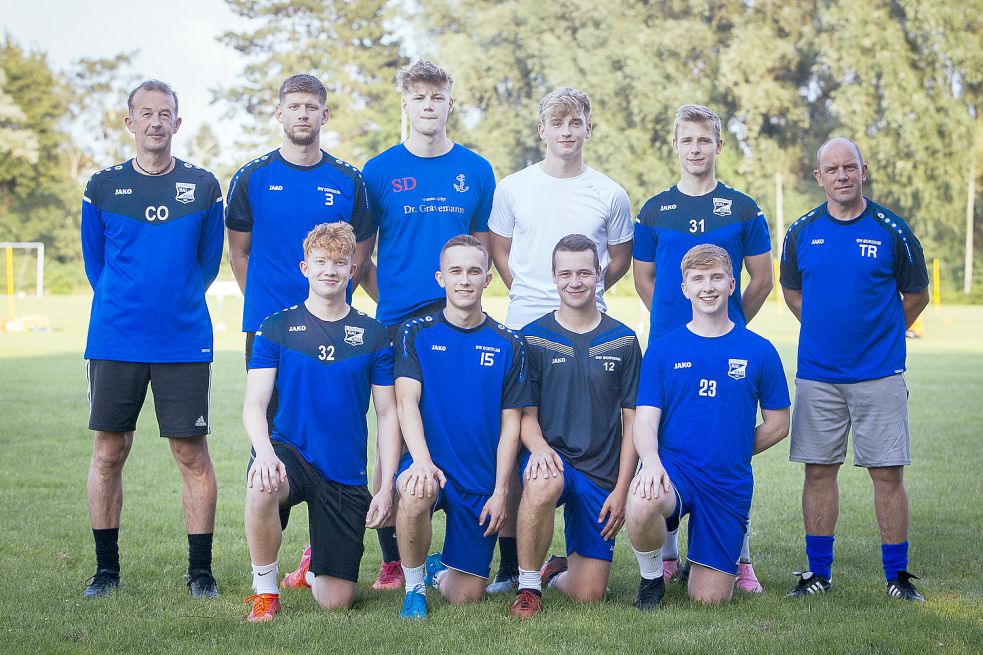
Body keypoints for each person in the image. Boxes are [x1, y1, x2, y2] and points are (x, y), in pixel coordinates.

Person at [80, 79, 223, 598]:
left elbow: (209, 263)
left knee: (191, 454)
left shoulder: (204, 187)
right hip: (115, 340)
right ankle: (106, 571)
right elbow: (96, 264)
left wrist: (174, 302)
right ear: (130, 122)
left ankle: (200, 572)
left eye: (166, 113)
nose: (156, 122)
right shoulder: (101, 187)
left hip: (183, 343)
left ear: (177, 124)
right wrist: (128, 304)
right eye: (146, 113)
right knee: (108, 452)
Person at [487, 86, 633, 589]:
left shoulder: (610, 193)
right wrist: (534, 295)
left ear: (589, 129)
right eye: (558, 123)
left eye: (577, 124)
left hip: (591, 330)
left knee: (590, 434)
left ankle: (570, 557)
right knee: (518, 439)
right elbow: (500, 250)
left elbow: (619, 257)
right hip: (528, 324)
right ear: (542, 130)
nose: (567, 133)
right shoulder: (513, 188)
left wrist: (580, 294)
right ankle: (513, 566)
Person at [360, 60, 496, 590]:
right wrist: (396, 301)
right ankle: (394, 559)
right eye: (418, 98)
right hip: (397, 323)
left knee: (465, 425)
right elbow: (364, 258)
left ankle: (475, 549)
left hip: (459, 322)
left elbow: (481, 249)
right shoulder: (377, 171)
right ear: (406, 105)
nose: (428, 106)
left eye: (437, 97)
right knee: (391, 430)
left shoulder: (476, 170)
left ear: (449, 103)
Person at [632, 104, 774, 591]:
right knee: (670, 437)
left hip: (726, 342)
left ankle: (740, 553)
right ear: (676, 146)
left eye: (704, 140)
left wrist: (730, 326)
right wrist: (679, 327)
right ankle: (668, 551)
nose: (696, 148)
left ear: (718, 145)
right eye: (686, 140)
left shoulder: (742, 207)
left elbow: (762, 277)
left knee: (726, 440)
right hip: (673, 347)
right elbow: (644, 279)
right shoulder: (653, 209)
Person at [781, 137, 929, 601]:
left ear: (864, 171)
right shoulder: (802, 231)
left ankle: (897, 577)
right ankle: (818, 573)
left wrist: (881, 336)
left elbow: (917, 294)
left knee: (887, 474)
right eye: (833, 169)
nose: (842, 176)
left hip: (880, 374)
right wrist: (826, 330)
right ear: (818, 177)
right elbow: (791, 291)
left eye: (850, 167)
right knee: (818, 471)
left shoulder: (892, 229)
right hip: (818, 375)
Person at [241, 222, 400, 622]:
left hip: (343, 472)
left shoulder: (373, 334)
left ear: (352, 270)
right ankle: (265, 589)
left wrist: (385, 487)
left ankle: (316, 562)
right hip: (290, 452)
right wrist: (263, 454)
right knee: (262, 484)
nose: (330, 270)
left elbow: (388, 414)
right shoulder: (276, 328)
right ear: (305, 267)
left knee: (335, 601)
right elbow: (254, 404)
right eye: (321, 261)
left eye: (340, 263)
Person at [625, 244, 790, 607]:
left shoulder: (759, 350)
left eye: (716, 277)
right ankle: (652, 579)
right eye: (697, 279)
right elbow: (645, 423)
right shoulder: (664, 350)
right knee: (641, 498)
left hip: (725, 480)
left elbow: (779, 424)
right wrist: (651, 464)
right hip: (675, 470)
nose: (708, 287)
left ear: (732, 284)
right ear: (684, 289)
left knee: (709, 600)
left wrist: (728, 445)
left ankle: (702, 562)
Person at [226, 73, 374, 431]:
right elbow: (238, 253)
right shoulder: (251, 177)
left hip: (333, 325)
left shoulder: (349, 180)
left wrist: (329, 304)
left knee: (331, 427)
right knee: (271, 429)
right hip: (268, 323)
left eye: (311, 107)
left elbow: (359, 259)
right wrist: (265, 303)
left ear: (325, 115)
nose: (303, 114)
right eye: (294, 107)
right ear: (280, 114)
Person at [393, 235, 529, 620]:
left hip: (478, 480)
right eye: (456, 271)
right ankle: (414, 586)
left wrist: (502, 491)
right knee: (417, 491)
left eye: (473, 271)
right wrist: (420, 462)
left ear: (488, 279)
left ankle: (437, 569)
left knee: (466, 595)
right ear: (441, 278)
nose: (464, 280)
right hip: (429, 464)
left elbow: (510, 428)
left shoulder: (509, 343)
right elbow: (406, 402)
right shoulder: (414, 332)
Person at [508, 235, 641, 619]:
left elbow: (632, 420)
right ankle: (529, 586)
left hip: (601, 473)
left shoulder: (623, 341)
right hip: (554, 459)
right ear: (553, 277)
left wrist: (622, 488)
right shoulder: (531, 338)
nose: (576, 281)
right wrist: (540, 449)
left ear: (599, 274)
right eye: (566, 273)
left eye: (585, 272)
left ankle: (555, 571)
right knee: (542, 479)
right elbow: (525, 416)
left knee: (588, 594)